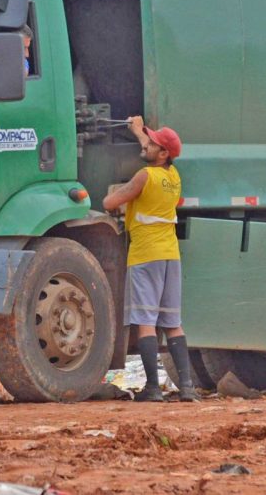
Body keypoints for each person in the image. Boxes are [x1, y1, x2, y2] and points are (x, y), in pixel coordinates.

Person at [102, 117, 198, 402]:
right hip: (170, 255)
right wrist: (139, 132)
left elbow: (110, 203)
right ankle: (188, 387)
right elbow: (153, 151)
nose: (148, 145)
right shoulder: (173, 177)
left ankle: (153, 388)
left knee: (145, 322)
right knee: (172, 323)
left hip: (145, 256)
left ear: (163, 153)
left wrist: (118, 196)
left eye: (154, 144)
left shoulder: (144, 176)